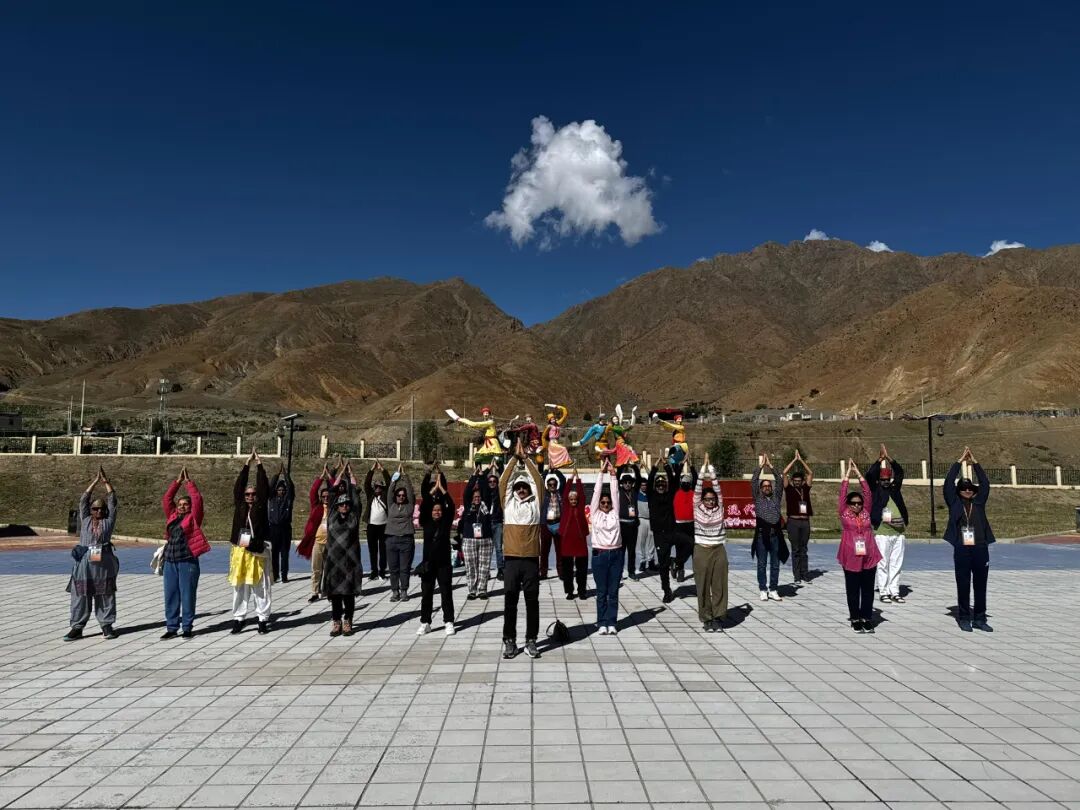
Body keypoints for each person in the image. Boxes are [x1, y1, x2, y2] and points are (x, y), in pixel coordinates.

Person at [499, 439, 544, 659]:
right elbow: (504, 483)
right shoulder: (508, 504)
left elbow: (538, 481)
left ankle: (531, 640)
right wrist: (514, 459)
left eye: (524, 487)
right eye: (519, 487)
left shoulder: (536, 503)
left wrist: (526, 459)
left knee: (532, 602)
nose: (522, 489)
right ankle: (509, 641)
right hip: (511, 560)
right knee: (510, 602)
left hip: (531, 560)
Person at [64, 467, 119, 641]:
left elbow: (113, 501)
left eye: (101, 509)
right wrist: (94, 482)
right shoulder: (86, 519)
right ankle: (77, 627)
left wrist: (106, 482)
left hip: (103, 563)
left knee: (105, 593)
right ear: (91, 510)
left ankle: (106, 625)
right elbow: (83, 500)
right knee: (80, 594)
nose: (98, 512)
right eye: (95, 509)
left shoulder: (108, 521)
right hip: (84, 563)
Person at [944, 447, 994, 633]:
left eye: (970, 488)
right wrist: (959, 462)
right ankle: (964, 617)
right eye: (964, 488)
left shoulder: (979, 502)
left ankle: (980, 618)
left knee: (981, 585)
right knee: (963, 584)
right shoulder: (954, 502)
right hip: (962, 548)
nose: (967, 490)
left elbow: (985, 483)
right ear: (959, 491)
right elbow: (948, 483)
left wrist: (975, 463)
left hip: (980, 547)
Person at [159, 467, 211, 638]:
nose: (182, 506)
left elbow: (197, 499)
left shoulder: (194, 518)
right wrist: (177, 482)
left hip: (187, 561)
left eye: (185, 504)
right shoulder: (172, 516)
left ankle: (187, 627)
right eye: (180, 504)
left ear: (190, 507)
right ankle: (171, 628)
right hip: (170, 561)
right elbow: (167, 499)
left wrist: (188, 483)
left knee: (187, 595)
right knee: (171, 595)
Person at [228, 451, 273, 634]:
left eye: (253, 494)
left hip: (257, 551)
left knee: (260, 586)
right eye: (247, 494)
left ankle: (262, 619)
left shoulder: (261, 506)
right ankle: (239, 618)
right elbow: (238, 487)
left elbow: (264, 488)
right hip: (241, 550)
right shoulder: (240, 505)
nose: (250, 496)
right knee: (240, 586)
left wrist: (259, 465)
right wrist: (247, 464)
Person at [322, 463, 365, 637]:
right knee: (335, 596)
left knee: (348, 595)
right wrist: (339, 474)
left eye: (346, 504)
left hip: (349, 563)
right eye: (341, 504)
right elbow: (332, 493)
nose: (344, 506)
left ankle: (348, 621)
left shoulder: (354, 517)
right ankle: (336, 622)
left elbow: (356, 500)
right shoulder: (332, 517)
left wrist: (351, 476)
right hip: (334, 563)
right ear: (337, 507)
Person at [838, 460, 881, 633]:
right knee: (853, 589)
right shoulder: (844, 513)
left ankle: (866, 617)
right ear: (848, 504)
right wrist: (847, 476)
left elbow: (868, 493)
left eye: (859, 503)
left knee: (868, 589)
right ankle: (855, 618)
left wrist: (859, 474)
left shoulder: (866, 512)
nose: (857, 505)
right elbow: (842, 494)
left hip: (869, 555)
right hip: (851, 557)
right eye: (853, 503)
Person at [417, 467, 457, 636]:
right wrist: (432, 486)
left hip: (444, 563)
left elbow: (451, 506)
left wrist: (442, 486)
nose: (437, 512)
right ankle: (425, 622)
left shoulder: (446, 521)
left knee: (446, 592)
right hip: (428, 564)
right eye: (434, 510)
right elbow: (425, 503)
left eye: (439, 510)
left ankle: (449, 622)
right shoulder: (425, 520)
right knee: (426, 594)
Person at [866, 444, 908, 604]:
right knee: (883, 563)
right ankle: (883, 591)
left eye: (887, 479)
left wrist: (889, 458)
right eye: (882, 480)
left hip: (898, 532)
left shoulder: (894, 489)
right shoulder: (875, 490)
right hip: (883, 533)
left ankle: (894, 591)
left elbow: (900, 473)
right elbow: (869, 475)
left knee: (896, 563)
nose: (885, 482)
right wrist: (879, 460)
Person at [693, 455, 728, 633]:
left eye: (712, 499)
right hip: (701, 549)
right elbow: (698, 489)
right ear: (702, 500)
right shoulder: (697, 507)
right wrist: (702, 470)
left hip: (718, 549)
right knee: (703, 585)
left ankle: (718, 616)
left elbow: (718, 489)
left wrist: (711, 471)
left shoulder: (719, 507)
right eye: (707, 499)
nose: (710, 501)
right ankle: (707, 618)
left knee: (719, 584)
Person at [647, 459, 690, 603]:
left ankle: (676, 562)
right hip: (659, 536)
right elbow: (649, 482)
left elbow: (674, 480)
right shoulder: (651, 496)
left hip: (672, 531)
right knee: (663, 565)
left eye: (663, 484)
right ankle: (666, 590)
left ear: (665, 486)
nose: (660, 486)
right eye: (658, 484)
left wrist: (666, 466)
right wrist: (654, 467)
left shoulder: (670, 495)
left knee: (690, 543)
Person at [297, 462, 340, 603]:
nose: (326, 498)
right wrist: (321, 478)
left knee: (329, 569)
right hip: (317, 543)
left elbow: (336, 491)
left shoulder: (334, 507)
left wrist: (330, 478)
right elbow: (312, 492)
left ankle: (328, 590)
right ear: (321, 498)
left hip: (330, 543)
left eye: (328, 496)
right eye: (324, 496)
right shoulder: (316, 507)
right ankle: (315, 592)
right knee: (316, 569)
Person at [590, 460, 623, 635]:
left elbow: (615, 493)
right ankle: (602, 622)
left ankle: (612, 622)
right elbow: (596, 493)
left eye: (607, 502)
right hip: (599, 555)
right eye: (602, 503)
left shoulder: (615, 512)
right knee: (602, 591)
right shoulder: (595, 513)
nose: (605, 504)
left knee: (614, 591)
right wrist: (601, 474)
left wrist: (613, 475)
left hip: (616, 554)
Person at [752, 454, 788, 602]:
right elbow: (754, 480)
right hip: (762, 536)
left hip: (775, 536)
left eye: (769, 486)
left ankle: (773, 589)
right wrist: (761, 467)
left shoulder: (776, 497)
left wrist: (771, 467)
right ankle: (763, 589)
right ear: (761, 489)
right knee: (762, 564)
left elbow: (779, 480)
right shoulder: (758, 498)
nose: (767, 487)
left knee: (775, 564)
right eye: (764, 486)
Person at [459, 466, 494, 600]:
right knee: (470, 566)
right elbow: (467, 492)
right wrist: (474, 477)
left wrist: (482, 477)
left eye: (479, 497)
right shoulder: (469, 506)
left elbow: (486, 491)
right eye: (475, 497)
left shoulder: (486, 505)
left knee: (484, 566)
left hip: (485, 539)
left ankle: (482, 590)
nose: (477, 499)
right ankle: (472, 590)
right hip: (469, 539)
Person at [385, 464, 416, 602]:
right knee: (393, 568)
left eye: (403, 495)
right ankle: (394, 591)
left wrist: (405, 476)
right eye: (399, 495)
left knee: (404, 568)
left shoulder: (409, 507)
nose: (401, 497)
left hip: (406, 540)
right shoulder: (391, 505)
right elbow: (390, 492)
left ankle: (404, 591)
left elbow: (410, 490)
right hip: (391, 540)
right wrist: (395, 478)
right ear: (395, 496)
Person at [558, 468, 590, 600]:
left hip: (580, 542)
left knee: (582, 569)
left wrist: (578, 479)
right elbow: (566, 492)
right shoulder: (565, 506)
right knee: (567, 570)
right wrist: (570, 478)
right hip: (567, 542)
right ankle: (569, 591)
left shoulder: (580, 506)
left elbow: (581, 494)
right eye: (571, 499)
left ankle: (582, 591)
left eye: (574, 499)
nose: (573, 501)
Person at [783, 451, 814, 585]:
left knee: (804, 549)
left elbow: (810, 473)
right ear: (792, 481)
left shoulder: (805, 489)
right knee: (795, 549)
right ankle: (797, 576)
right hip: (793, 521)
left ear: (802, 481)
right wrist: (794, 460)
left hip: (805, 521)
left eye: (798, 481)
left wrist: (801, 460)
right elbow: (784, 473)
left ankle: (804, 574)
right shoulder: (789, 489)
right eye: (794, 481)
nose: (796, 482)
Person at [267, 464, 295, 583]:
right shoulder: (271, 498)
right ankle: (275, 575)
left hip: (285, 529)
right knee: (274, 554)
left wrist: (286, 475)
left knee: (284, 554)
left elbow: (291, 487)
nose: (281, 491)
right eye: (279, 490)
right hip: (273, 529)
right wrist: (277, 475)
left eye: (283, 490)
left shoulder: (288, 499)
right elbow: (270, 487)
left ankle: (284, 575)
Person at [671, 458, 697, 583]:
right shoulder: (676, 492)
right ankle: (680, 570)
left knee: (693, 548)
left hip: (691, 524)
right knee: (680, 548)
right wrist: (682, 464)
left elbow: (696, 478)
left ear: (690, 484)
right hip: (679, 525)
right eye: (684, 482)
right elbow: (676, 477)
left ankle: (678, 563)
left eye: (688, 482)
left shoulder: (694, 493)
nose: (686, 484)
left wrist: (691, 465)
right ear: (681, 483)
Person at [364, 462, 390, 581]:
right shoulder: (370, 495)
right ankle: (374, 571)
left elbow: (389, 483)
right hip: (371, 527)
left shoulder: (385, 495)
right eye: (376, 486)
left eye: (380, 486)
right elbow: (366, 484)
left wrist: (383, 470)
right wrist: (372, 470)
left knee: (383, 550)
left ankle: (382, 572)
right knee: (372, 550)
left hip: (383, 526)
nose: (378, 488)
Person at [539, 467, 566, 579]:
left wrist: (555, 471)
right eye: (550, 485)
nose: (552, 486)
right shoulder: (544, 494)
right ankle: (543, 573)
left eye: (554, 484)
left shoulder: (560, 493)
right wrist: (547, 471)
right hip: (546, 524)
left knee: (560, 550)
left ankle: (561, 572)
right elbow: (540, 480)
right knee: (544, 550)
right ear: (547, 485)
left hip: (558, 523)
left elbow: (563, 480)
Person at [617, 465, 642, 580]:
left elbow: (639, 479)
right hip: (622, 525)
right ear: (622, 483)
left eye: (629, 482)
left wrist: (634, 467)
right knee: (621, 551)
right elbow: (616, 478)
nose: (627, 484)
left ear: (632, 483)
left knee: (632, 551)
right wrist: (622, 466)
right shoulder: (619, 491)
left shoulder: (634, 491)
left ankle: (631, 572)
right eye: (625, 482)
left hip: (633, 525)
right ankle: (619, 572)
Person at [484, 467, 505, 581]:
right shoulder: (485, 493)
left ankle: (500, 570)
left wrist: (498, 469)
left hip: (497, 523)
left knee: (498, 548)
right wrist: (488, 468)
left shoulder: (500, 493)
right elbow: (482, 479)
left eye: (494, 481)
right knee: (487, 549)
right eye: (490, 481)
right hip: (487, 524)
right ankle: (486, 571)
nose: (492, 483)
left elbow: (505, 480)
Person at [635, 477, 657, 575]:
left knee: (652, 542)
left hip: (651, 520)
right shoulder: (636, 494)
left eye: (645, 485)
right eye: (642, 485)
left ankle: (651, 561)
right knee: (641, 542)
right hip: (641, 520)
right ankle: (642, 561)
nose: (644, 487)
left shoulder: (651, 494)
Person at [542, 403, 572, 469]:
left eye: (554, 419)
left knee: (552, 464)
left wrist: (555, 406)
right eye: (551, 419)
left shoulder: (557, 424)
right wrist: (544, 446)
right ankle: (567, 462)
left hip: (556, 442)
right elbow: (543, 436)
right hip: (552, 443)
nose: (553, 420)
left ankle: (559, 465)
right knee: (563, 449)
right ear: (549, 421)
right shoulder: (549, 426)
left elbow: (565, 412)